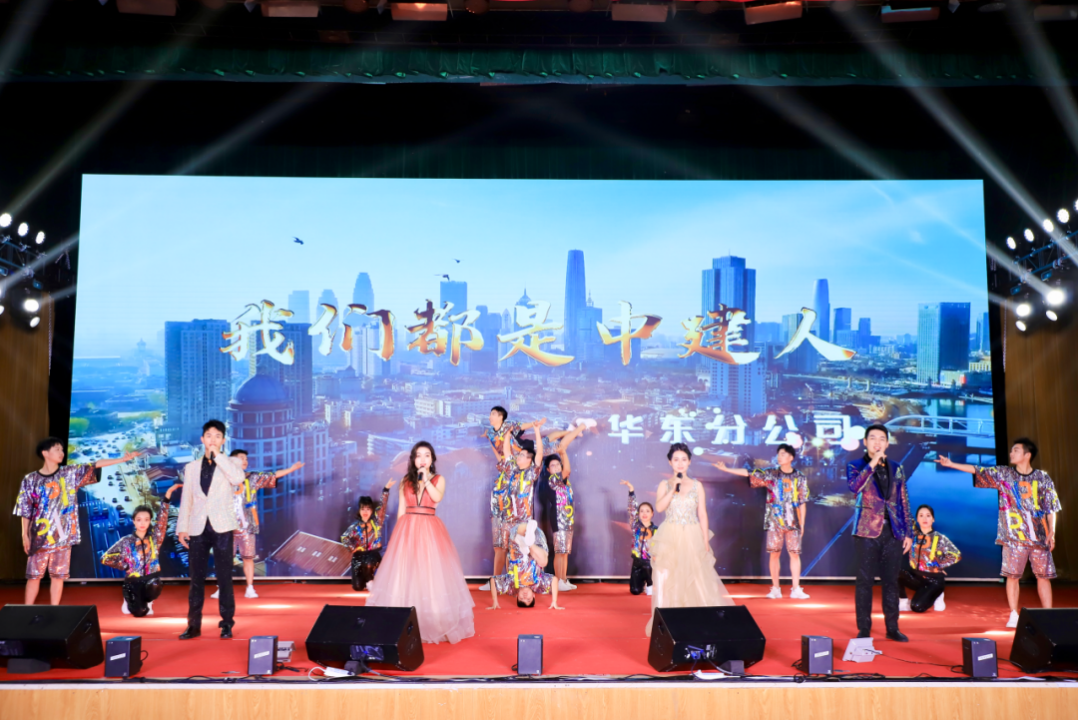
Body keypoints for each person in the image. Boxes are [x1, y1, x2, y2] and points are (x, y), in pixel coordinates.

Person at [937, 437, 1060, 628]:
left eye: (1016, 450)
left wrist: (1052, 530)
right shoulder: (1004, 473)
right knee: (1012, 576)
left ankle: (1048, 615)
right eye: (1011, 450)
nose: (1011, 453)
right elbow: (978, 470)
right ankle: (1014, 614)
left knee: (1043, 576)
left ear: (1027, 455)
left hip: (1039, 536)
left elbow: (1051, 507)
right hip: (1013, 537)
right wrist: (951, 464)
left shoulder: (1042, 477)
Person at [366, 441, 475, 644]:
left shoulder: (439, 479)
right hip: (407, 528)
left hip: (429, 528)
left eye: (426, 455)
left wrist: (425, 481)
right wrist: (397, 537)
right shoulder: (405, 481)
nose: (422, 459)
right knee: (405, 573)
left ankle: (433, 622)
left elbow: (437, 497)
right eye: (418, 455)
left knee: (429, 573)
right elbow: (401, 511)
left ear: (432, 459)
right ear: (413, 460)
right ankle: (399, 621)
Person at [15, 437, 137, 606]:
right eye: (57, 449)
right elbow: (25, 509)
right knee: (33, 576)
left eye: (62, 449)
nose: (61, 452)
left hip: (63, 536)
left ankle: (54, 610)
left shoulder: (69, 473)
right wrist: (25, 535)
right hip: (40, 536)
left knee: (58, 576)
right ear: (45, 453)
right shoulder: (30, 480)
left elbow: (95, 465)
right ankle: (26, 611)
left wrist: (122, 459)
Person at [645, 443, 732, 637]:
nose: (680, 463)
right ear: (670, 462)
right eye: (676, 459)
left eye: (683, 459)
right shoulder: (664, 484)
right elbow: (659, 508)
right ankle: (670, 624)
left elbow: (702, 514)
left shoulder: (697, 485)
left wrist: (705, 541)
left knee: (696, 578)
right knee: (670, 579)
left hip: (692, 536)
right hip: (670, 535)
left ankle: (698, 622)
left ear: (689, 462)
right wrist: (672, 489)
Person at [176, 420, 246, 640]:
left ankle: (226, 623)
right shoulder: (191, 467)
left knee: (224, 577)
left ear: (223, 440)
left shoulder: (231, 462)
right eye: (209, 435)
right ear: (202, 439)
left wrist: (218, 456)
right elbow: (186, 499)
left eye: (217, 436)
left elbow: (238, 479)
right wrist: (182, 528)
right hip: (198, 527)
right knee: (196, 579)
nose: (212, 439)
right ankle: (193, 625)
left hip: (222, 526)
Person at [715, 444, 810, 600]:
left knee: (794, 554)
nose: (779, 457)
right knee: (774, 554)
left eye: (783, 454)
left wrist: (802, 524)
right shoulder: (771, 473)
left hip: (793, 522)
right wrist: (726, 469)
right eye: (778, 454)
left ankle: (796, 589)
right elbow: (749, 473)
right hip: (774, 521)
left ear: (791, 457)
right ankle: (775, 589)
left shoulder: (800, 477)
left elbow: (802, 502)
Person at [847, 424, 914, 642]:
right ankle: (864, 628)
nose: (877, 442)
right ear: (865, 442)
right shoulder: (855, 465)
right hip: (866, 531)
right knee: (864, 581)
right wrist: (872, 463)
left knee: (891, 581)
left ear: (887, 443)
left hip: (893, 531)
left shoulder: (896, 467)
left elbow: (903, 500)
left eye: (882, 439)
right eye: (873, 438)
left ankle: (892, 627)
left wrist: (908, 532)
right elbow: (855, 487)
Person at [211, 450, 304, 600]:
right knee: (224, 560)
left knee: (248, 558)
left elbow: (273, 475)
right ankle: (222, 588)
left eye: (246, 459)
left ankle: (250, 588)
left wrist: (291, 469)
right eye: (241, 458)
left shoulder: (252, 477)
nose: (245, 461)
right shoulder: (222, 478)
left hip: (247, 527)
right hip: (226, 527)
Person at [482, 418, 546, 591]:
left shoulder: (531, 473)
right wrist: (508, 434)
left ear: (529, 461)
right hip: (507, 519)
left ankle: (524, 584)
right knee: (507, 552)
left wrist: (537, 430)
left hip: (523, 522)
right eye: (519, 454)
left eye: (523, 455)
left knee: (521, 553)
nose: (519, 456)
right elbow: (506, 451)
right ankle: (508, 584)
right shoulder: (511, 470)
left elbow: (539, 453)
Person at [101, 484, 182, 617]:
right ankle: (128, 600)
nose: (142, 523)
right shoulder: (126, 540)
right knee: (139, 613)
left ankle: (148, 601)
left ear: (150, 521)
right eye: (139, 520)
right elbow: (105, 558)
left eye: (146, 520)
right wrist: (125, 565)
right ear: (134, 521)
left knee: (155, 586)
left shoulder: (155, 539)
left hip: (151, 579)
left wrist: (167, 497)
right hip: (133, 581)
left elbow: (162, 521)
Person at [541, 422, 587, 592]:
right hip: (558, 520)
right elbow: (567, 470)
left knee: (565, 552)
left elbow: (566, 472)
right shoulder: (553, 480)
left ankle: (564, 580)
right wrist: (563, 452)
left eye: (557, 464)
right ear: (548, 469)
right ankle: (558, 580)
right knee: (559, 551)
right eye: (552, 465)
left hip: (567, 520)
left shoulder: (565, 482)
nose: (556, 467)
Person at [487, 519, 563, 611]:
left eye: (522, 599)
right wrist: (554, 601)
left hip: (517, 542)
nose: (525, 596)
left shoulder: (511, 585)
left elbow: (493, 581)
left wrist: (495, 601)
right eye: (528, 599)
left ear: (517, 596)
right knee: (543, 562)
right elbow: (554, 580)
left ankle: (524, 541)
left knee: (519, 533)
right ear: (534, 595)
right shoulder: (538, 585)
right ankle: (529, 543)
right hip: (536, 542)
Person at [899, 504, 961, 613]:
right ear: (917, 519)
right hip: (917, 578)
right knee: (895, 572)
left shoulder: (939, 538)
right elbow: (906, 515)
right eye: (921, 515)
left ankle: (937, 594)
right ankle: (903, 601)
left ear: (933, 519)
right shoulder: (914, 534)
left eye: (928, 515)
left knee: (917, 607)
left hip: (934, 581)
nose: (925, 518)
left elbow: (956, 555)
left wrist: (938, 565)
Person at [341, 483, 394, 591]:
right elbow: (344, 537)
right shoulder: (355, 526)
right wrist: (353, 548)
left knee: (369, 563)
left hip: (373, 555)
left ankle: (370, 581)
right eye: (363, 509)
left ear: (372, 510)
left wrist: (386, 490)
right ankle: (367, 580)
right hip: (358, 557)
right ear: (359, 511)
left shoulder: (377, 522)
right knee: (357, 587)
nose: (365, 512)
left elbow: (382, 507)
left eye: (368, 509)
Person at [620, 480, 657, 596]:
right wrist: (631, 491)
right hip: (637, 561)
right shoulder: (635, 526)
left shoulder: (656, 530)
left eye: (647, 511)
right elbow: (632, 510)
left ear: (652, 513)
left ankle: (650, 583)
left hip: (650, 562)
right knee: (635, 591)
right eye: (641, 511)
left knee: (649, 575)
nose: (644, 513)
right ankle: (640, 583)